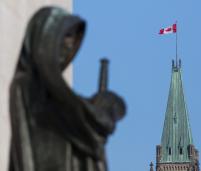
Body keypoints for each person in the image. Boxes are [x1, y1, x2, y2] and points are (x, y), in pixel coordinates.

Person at [9, 7, 125, 171]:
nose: (69, 43)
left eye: (73, 37)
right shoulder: (27, 85)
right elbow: (24, 147)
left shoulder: (58, 94)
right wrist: (99, 110)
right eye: (66, 35)